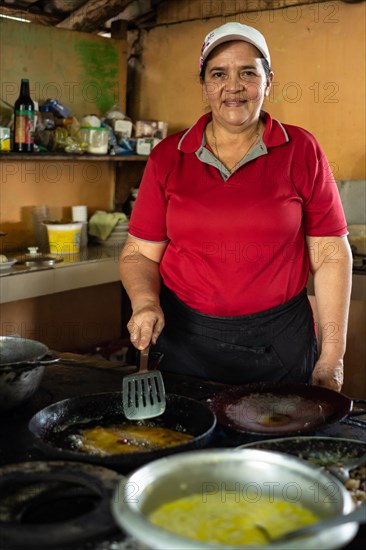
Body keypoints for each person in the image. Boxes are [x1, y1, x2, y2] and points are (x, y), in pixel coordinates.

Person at [120, 22, 352, 391]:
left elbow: (330, 255)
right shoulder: (168, 156)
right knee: (184, 440)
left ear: (268, 81)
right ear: (205, 84)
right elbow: (139, 254)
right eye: (218, 74)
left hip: (280, 343)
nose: (233, 86)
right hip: (186, 341)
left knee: (279, 444)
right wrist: (146, 302)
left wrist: (332, 357)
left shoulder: (301, 149)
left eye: (248, 72)